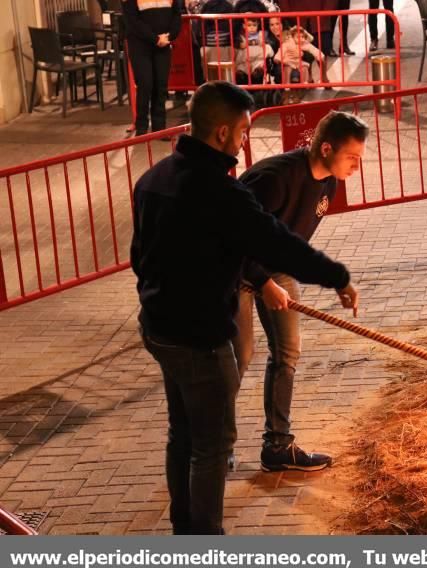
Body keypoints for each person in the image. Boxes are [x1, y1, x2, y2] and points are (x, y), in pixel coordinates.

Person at [131, 81, 358, 534]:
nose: (245, 141)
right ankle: (206, 539)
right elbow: (279, 244)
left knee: (184, 434)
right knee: (213, 446)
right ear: (220, 133)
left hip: (158, 327)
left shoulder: (152, 179)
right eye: (242, 131)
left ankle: (184, 527)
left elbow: (140, 257)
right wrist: (336, 276)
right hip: (200, 337)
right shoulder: (221, 193)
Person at [233, 111, 369, 473]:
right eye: (352, 157)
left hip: (274, 267)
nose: (357, 166)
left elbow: (292, 244)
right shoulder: (274, 180)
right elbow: (233, 237)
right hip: (231, 267)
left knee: (287, 351)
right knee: (238, 357)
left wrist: (336, 280)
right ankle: (211, 440)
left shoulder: (329, 184)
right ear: (326, 148)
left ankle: (277, 445)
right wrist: (262, 282)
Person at [122, 0, 183, 136]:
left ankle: (159, 128)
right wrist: (155, 39)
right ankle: (142, 127)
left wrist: (169, 36)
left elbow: (177, 14)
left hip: (163, 42)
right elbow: (132, 21)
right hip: (140, 44)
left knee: (161, 85)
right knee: (145, 84)